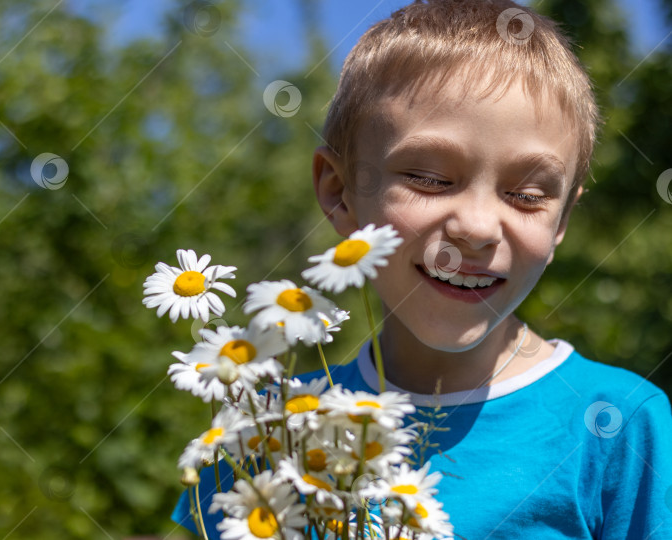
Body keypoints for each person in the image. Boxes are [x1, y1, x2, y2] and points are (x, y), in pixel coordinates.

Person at [173, 0, 672, 538]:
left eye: (527, 195)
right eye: (431, 179)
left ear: (562, 220)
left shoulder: (620, 426)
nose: (478, 227)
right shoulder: (268, 430)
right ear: (340, 192)